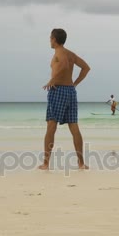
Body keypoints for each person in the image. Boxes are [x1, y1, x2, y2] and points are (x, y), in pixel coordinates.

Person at [40, 28, 91, 170]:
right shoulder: (70, 54)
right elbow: (86, 68)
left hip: (58, 90)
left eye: (50, 38)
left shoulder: (60, 53)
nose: (49, 40)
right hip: (70, 91)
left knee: (51, 126)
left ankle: (45, 164)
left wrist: (53, 80)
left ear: (54, 39)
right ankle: (81, 163)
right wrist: (74, 83)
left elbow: (64, 65)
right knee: (73, 125)